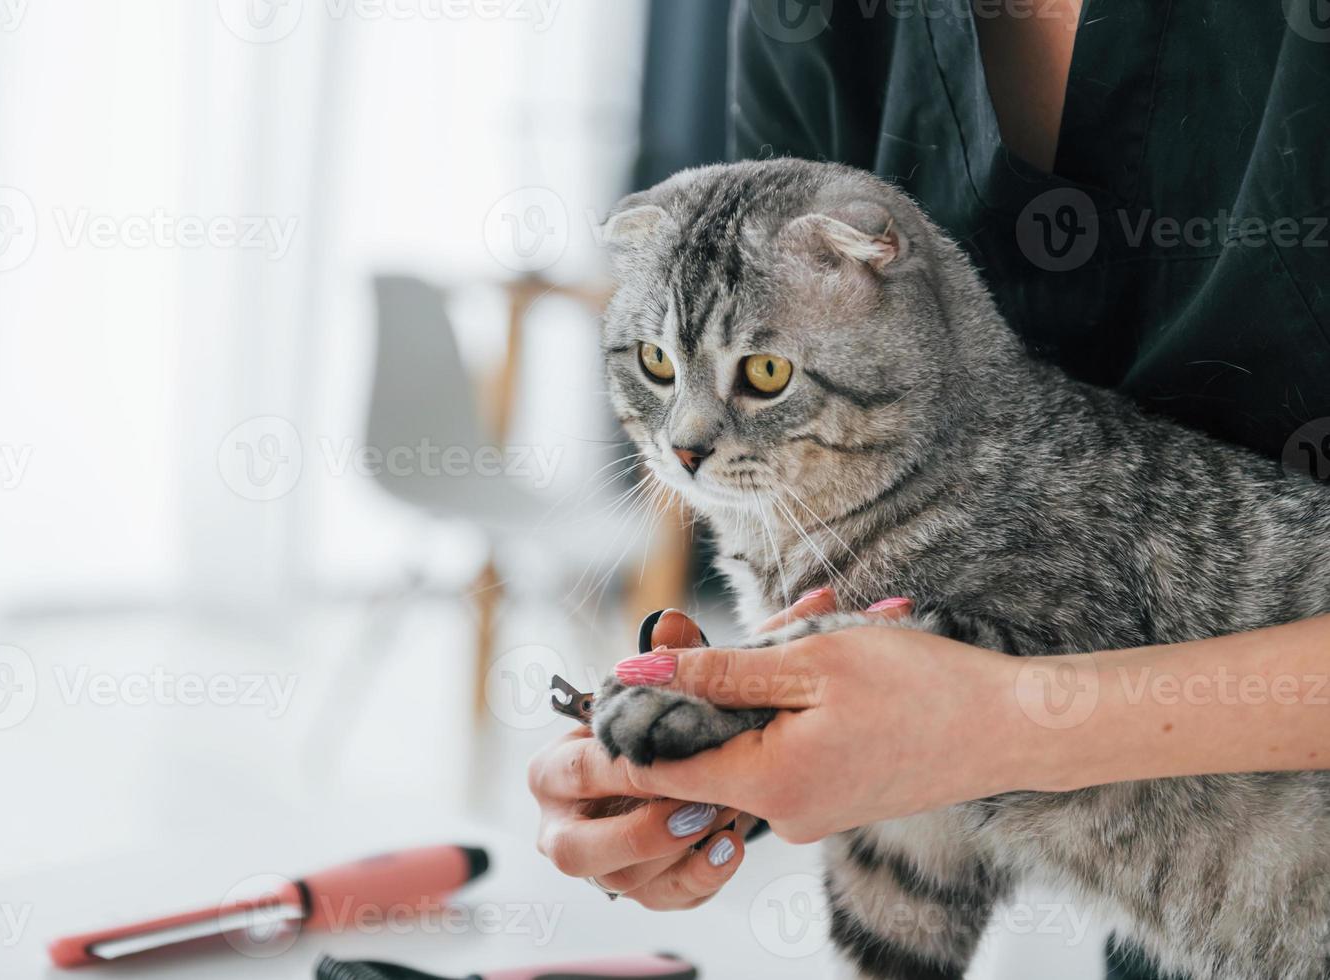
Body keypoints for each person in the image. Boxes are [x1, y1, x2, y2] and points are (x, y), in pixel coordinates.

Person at [529, 3, 1330, 977]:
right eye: (654, 368)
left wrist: (986, 716)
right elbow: (920, 826)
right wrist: (743, 774)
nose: (687, 442)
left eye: (762, 378)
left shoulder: (1008, 485)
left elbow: (979, 703)